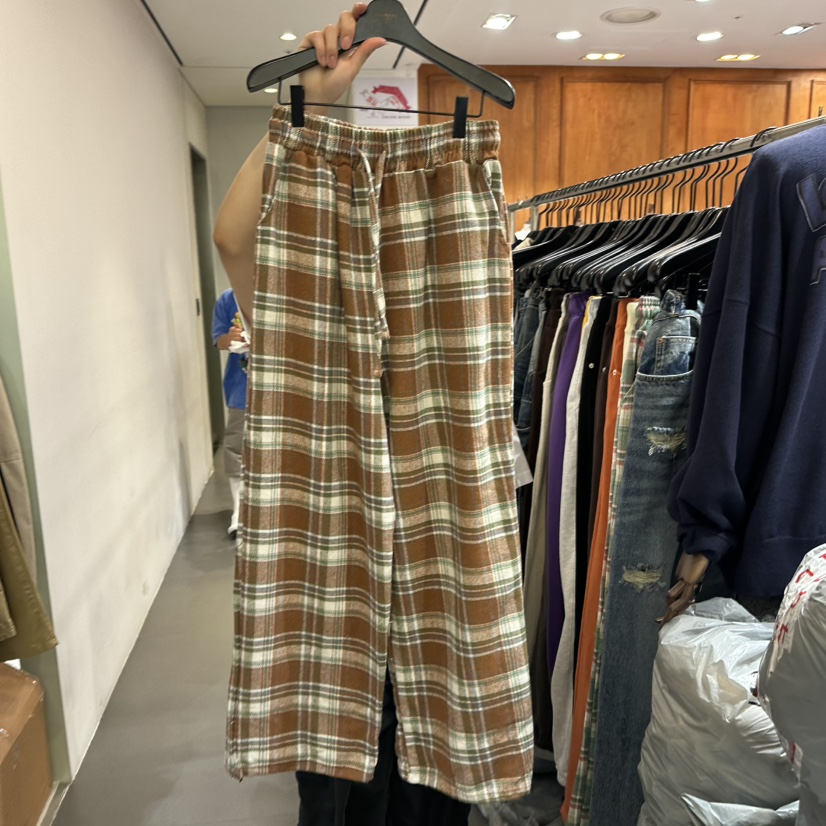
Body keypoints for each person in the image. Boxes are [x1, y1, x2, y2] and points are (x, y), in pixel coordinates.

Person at [211, 288, 248, 539]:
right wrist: (231, 337)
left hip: (280, 387)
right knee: (236, 449)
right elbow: (219, 340)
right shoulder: (228, 298)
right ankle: (239, 513)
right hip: (241, 388)